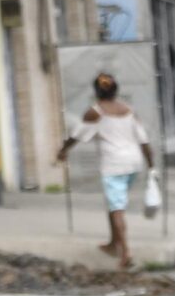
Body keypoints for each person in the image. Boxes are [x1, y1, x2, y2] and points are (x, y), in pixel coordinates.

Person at [55, 73, 154, 270]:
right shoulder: (129, 110)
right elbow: (144, 140)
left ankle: (125, 253)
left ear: (96, 91)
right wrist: (151, 165)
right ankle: (113, 244)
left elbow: (76, 135)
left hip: (113, 164)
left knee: (117, 208)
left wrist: (63, 151)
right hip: (133, 163)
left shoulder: (95, 112)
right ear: (116, 90)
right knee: (114, 203)